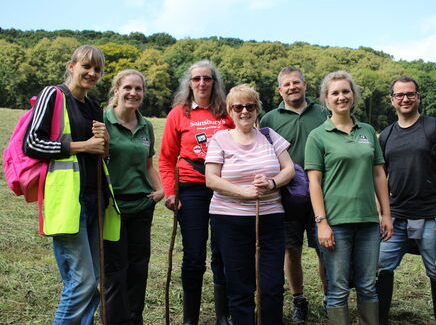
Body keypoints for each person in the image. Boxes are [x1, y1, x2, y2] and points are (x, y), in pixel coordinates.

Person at [23, 45, 120, 324]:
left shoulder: (93, 107)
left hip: (95, 200)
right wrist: (83, 145)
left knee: (92, 283)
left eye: (98, 69)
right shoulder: (52, 95)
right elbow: (32, 143)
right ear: (71, 66)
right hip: (67, 201)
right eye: (86, 66)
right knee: (82, 282)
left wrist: (104, 145)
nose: (92, 73)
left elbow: (99, 154)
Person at [376, 76, 436, 325]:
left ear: (418, 97)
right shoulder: (385, 135)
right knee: (379, 267)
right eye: (399, 95)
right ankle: (380, 319)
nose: (405, 99)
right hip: (396, 216)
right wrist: (381, 213)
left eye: (410, 94)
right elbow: (380, 178)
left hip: (432, 215)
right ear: (392, 100)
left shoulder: (435, 128)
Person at [304, 70, 393, 325]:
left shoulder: (367, 131)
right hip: (335, 223)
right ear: (326, 99)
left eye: (346, 91)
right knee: (339, 288)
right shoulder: (318, 136)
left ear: (353, 95)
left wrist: (386, 214)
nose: (341, 97)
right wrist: (321, 222)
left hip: (368, 222)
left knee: (367, 285)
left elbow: (379, 174)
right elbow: (314, 183)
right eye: (335, 93)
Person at [205, 84, 295, 325]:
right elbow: (211, 178)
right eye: (238, 107)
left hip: (270, 219)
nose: (244, 111)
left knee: (272, 285)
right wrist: (243, 193)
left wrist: (272, 183)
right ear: (230, 110)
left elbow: (289, 169)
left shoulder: (269, 135)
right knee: (239, 284)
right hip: (229, 220)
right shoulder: (220, 139)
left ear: (257, 109)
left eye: (250, 106)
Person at [158, 60, 235, 325]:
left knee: (223, 253)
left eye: (207, 78)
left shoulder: (227, 113)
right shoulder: (178, 114)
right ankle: (190, 319)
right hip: (190, 190)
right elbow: (166, 159)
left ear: (215, 82)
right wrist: (171, 192)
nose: (202, 83)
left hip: (224, 190)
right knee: (194, 255)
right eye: (196, 79)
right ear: (189, 83)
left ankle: (223, 316)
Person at [260, 66, 329, 322]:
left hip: (320, 193)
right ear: (280, 90)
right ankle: (298, 299)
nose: (292, 87)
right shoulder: (269, 119)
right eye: (286, 85)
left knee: (325, 247)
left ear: (305, 84)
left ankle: (329, 297)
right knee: (292, 249)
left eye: (296, 83)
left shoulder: (324, 113)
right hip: (286, 196)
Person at [103, 69, 164, 324]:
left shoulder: (145, 125)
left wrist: (161, 190)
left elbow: (149, 165)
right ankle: (113, 319)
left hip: (141, 205)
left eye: (138, 89)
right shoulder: (101, 120)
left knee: (139, 268)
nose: (133, 93)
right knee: (115, 270)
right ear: (116, 90)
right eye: (127, 87)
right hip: (111, 207)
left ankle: (134, 318)